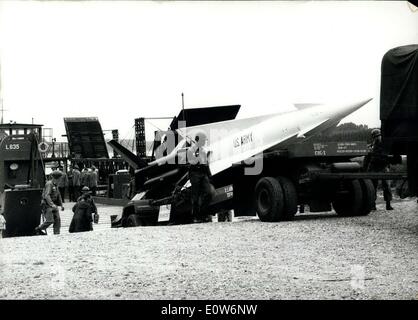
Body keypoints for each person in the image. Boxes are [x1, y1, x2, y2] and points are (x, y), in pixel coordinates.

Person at [187, 130, 215, 223]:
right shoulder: (191, 150)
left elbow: (206, 164)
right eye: (203, 140)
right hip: (194, 174)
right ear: (198, 140)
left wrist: (210, 176)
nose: (204, 142)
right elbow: (192, 162)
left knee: (209, 192)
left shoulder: (203, 150)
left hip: (203, 174)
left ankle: (203, 213)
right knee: (195, 195)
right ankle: (195, 216)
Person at [365, 128, 393, 210]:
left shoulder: (373, 145)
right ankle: (387, 204)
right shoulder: (380, 143)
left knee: (374, 186)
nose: (378, 138)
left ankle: (374, 205)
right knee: (385, 186)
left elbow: (368, 158)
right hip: (381, 167)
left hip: (376, 167)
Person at [34, 170, 65, 235]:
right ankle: (38, 229)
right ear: (57, 178)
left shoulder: (56, 185)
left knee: (57, 220)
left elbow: (58, 195)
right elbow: (46, 195)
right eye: (60, 178)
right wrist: (52, 204)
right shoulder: (49, 184)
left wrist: (61, 205)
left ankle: (57, 233)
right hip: (47, 205)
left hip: (54, 205)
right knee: (50, 220)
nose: (60, 180)